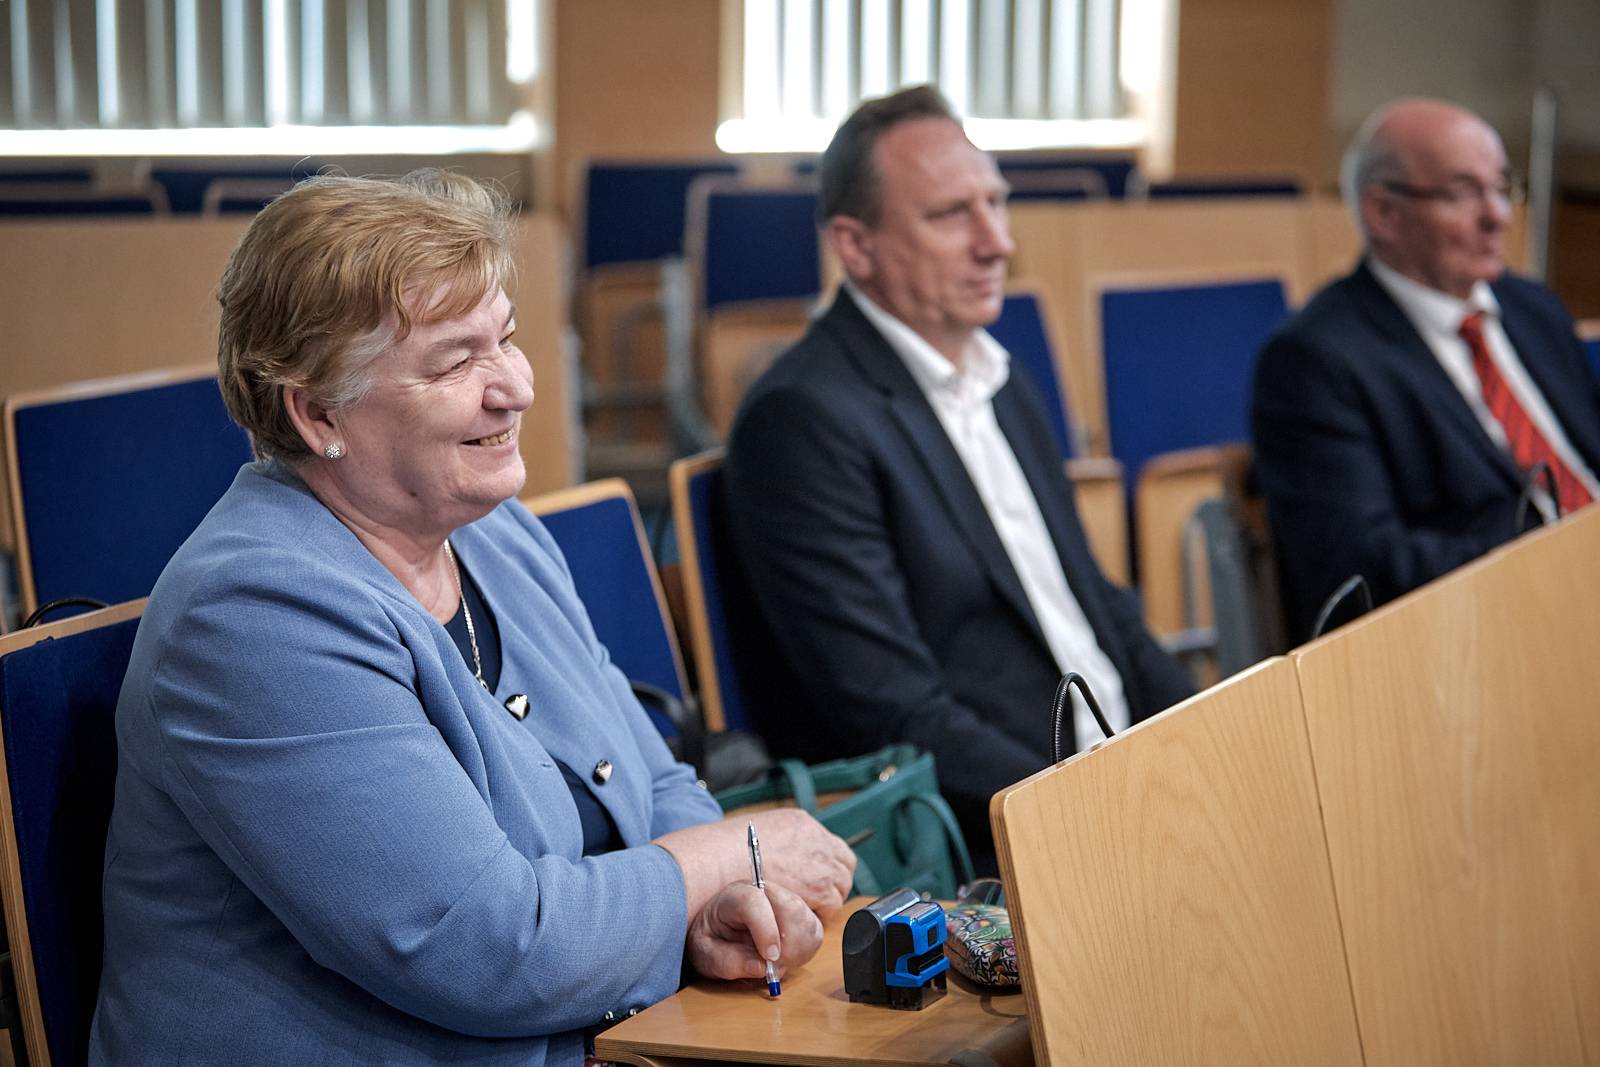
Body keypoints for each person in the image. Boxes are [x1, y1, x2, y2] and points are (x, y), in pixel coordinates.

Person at [89, 171, 854, 1065]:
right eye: (456, 362)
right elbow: (492, 950)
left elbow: (654, 780)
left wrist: (716, 904)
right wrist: (732, 855)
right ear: (319, 410)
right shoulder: (253, 617)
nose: (516, 387)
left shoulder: (495, 531)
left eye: (508, 339)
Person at [723, 87, 1194, 875]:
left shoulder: (1002, 377)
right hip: (994, 836)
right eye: (950, 215)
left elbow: (1094, 600)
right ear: (856, 245)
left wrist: (1208, 734)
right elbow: (891, 712)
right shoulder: (803, 419)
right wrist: (1097, 807)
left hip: (1117, 779)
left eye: (996, 204)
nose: (997, 242)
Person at [1253, 98, 1600, 641]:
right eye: (1463, 193)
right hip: (1489, 632)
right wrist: (1563, 556)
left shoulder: (1534, 308)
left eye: (1502, 187)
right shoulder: (1315, 361)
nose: (1498, 215)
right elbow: (1362, 571)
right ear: (1383, 213)